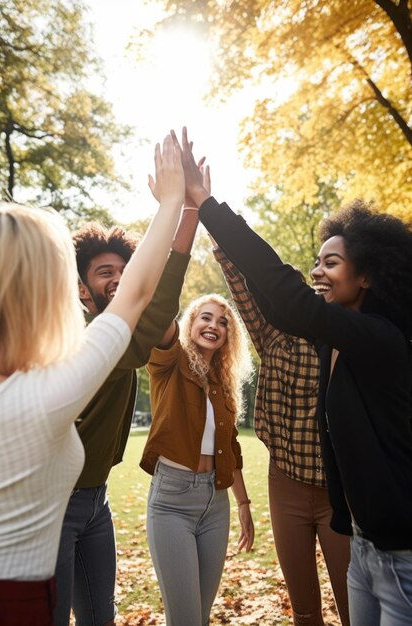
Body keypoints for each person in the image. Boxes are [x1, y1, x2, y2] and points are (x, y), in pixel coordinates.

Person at [178, 126, 412, 626]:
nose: (318, 272)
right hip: (367, 543)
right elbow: (271, 299)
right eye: (317, 262)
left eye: (332, 262)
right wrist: (206, 219)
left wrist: (211, 205)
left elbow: (287, 296)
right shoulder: (334, 343)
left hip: (399, 551)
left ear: (367, 274)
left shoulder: (380, 339)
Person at [0, 134, 185, 626]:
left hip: (90, 507)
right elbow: (141, 294)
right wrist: (173, 202)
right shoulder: (48, 390)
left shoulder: (42, 375)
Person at [54, 216, 192, 626]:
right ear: (82, 289)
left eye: (125, 271)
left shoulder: (122, 333)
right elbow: (160, 304)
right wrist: (185, 215)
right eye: (105, 272)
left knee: (101, 617)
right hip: (56, 505)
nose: (118, 278)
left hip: (96, 501)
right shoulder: (89, 339)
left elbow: (159, 312)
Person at [212, 243, 350, 625]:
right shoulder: (273, 338)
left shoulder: (342, 341)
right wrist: (222, 243)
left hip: (335, 490)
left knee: (353, 598)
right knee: (303, 605)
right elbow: (242, 287)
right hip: (285, 485)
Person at [140, 291, 255, 626]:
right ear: (190, 322)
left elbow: (230, 449)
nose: (213, 325)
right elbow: (160, 316)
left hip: (216, 504)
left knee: (200, 617)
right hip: (172, 502)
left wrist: (244, 504)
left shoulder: (222, 383)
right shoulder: (169, 361)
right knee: (186, 618)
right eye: (205, 317)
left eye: (222, 322)